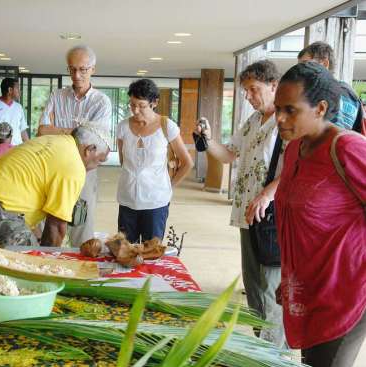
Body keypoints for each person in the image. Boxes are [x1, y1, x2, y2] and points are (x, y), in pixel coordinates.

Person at [274, 61, 366, 367]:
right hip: (307, 287)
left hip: (346, 290)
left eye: (290, 109)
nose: (279, 119)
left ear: (321, 108)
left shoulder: (348, 148)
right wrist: (289, 278)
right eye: (277, 109)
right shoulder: (294, 150)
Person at [194, 60, 287, 347]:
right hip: (247, 214)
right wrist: (207, 141)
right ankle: (262, 347)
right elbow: (228, 155)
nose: (248, 96)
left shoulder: (285, 122)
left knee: (272, 288)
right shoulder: (251, 122)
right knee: (254, 287)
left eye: (253, 90)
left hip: (271, 216)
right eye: (246, 90)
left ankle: (274, 356)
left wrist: (267, 194)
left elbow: (294, 169)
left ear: (274, 86)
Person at [0, 121, 110, 247]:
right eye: (99, 161)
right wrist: (47, 266)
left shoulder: (54, 141)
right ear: (89, 150)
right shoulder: (74, 166)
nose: (95, 167)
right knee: (29, 261)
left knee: (30, 248)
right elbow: (56, 226)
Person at [38, 45, 112, 247]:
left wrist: (59, 129)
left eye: (83, 69)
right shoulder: (57, 96)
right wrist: (76, 131)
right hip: (54, 168)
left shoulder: (102, 102)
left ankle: (81, 274)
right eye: (72, 69)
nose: (77, 75)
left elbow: (94, 145)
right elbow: (42, 131)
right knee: (50, 226)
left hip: (84, 171)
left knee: (82, 228)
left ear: (93, 69)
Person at [117, 79, 193, 243]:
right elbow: (123, 161)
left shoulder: (167, 126)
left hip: (155, 202)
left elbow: (187, 162)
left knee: (151, 252)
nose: (135, 110)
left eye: (141, 106)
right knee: (125, 251)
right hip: (127, 199)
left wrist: (169, 185)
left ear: (154, 103)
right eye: (132, 105)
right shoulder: (123, 127)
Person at [298, 41, 364, 133]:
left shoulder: (341, 92)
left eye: (305, 64)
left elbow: (335, 136)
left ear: (324, 64)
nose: (299, 70)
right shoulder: (323, 92)